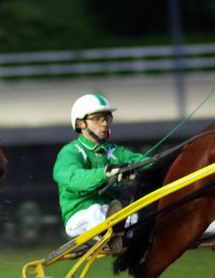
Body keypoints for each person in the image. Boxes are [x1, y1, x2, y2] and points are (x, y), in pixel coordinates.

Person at [52, 94, 150, 252]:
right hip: (80, 217)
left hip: (109, 214)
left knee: (140, 217)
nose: (104, 124)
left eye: (106, 118)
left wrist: (149, 165)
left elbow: (142, 161)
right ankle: (116, 235)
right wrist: (107, 173)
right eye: (97, 119)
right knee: (95, 213)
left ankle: (120, 234)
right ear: (80, 123)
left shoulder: (114, 151)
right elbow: (73, 178)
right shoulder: (70, 152)